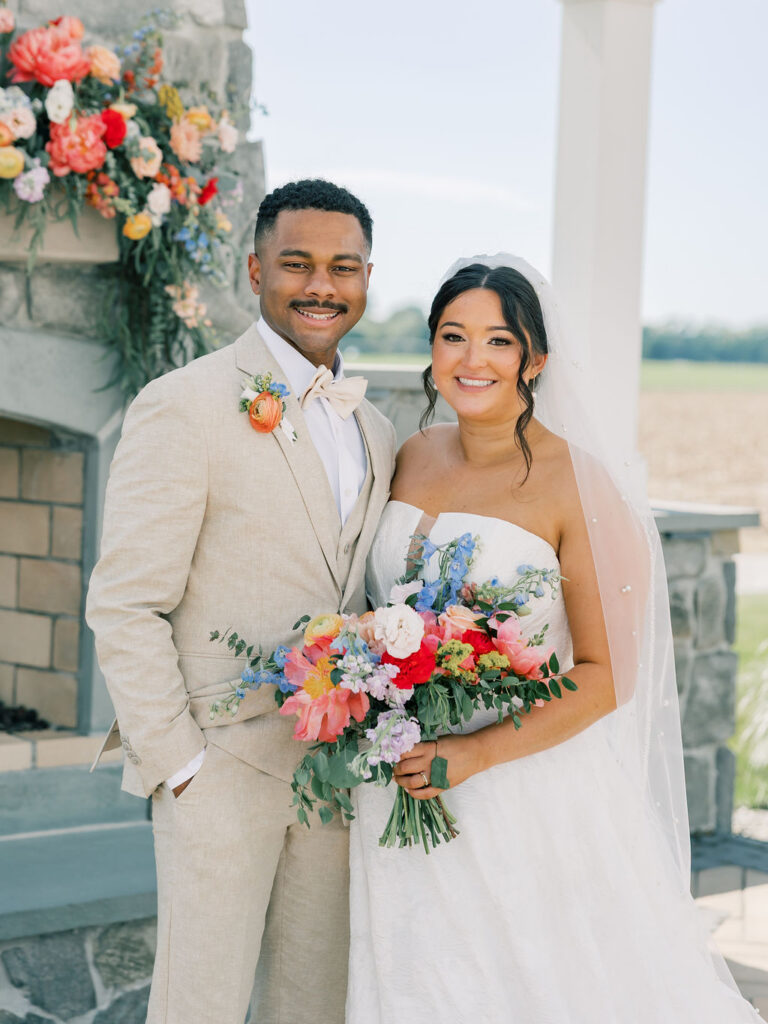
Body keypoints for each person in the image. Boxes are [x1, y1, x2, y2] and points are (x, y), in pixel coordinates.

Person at [346, 255, 759, 1023]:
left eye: (498, 341)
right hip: (399, 775)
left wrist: (474, 752)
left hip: (517, 788)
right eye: (453, 335)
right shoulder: (412, 453)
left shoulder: (581, 486)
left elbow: (607, 675)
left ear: (534, 359)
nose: (473, 359)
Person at [86, 179, 397, 1024]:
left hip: (334, 778)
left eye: (343, 266)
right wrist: (180, 767)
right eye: (297, 263)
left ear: (368, 278)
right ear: (255, 270)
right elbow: (124, 603)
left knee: (314, 1006)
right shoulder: (183, 405)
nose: (321, 285)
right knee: (200, 1008)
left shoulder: (376, 430)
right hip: (217, 770)